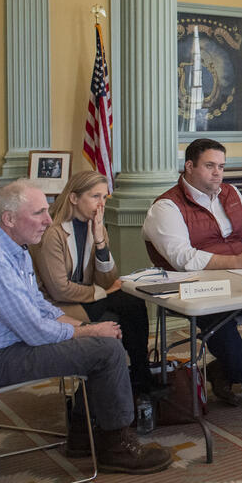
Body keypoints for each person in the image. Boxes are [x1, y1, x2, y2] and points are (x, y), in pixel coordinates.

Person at [0, 180, 172, 474]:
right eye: (39, 213)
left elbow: (40, 306)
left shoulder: (11, 246)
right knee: (106, 349)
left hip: (2, 345)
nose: (47, 220)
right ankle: (115, 446)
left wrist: (82, 326)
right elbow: (35, 331)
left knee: (100, 337)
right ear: (9, 219)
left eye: (48, 211)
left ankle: (82, 435)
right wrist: (90, 331)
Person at [142, 138, 242, 406]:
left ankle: (222, 369)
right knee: (220, 320)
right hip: (195, 287)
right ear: (189, 166)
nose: (218, 173)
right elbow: (182, 258)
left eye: (222, 167)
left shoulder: (231, 193)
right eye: (210, 166)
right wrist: (237, 261)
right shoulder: (166, 206)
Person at [33, 170, 155, 396]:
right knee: (127, 307)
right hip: (57, 307)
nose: (101, 204)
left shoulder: (95, 225)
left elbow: (109, 278)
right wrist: (102, 291)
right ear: (74, 198)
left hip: (85, 299)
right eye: (95, 196)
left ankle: (135, 378)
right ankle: (140, 378)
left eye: (104, 197)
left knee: (130, 304)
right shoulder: (53, 233)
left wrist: (100, 241)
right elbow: (59, 289)